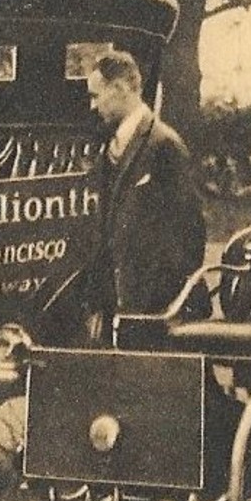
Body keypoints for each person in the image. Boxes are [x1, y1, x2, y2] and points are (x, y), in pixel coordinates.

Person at [79, 49, 207, 335]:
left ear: (120, 89)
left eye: (96, 95)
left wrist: (162, 302)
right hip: (121, 303)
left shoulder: (165, 146)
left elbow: (190, 229)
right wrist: (101, 300)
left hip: (157, 307)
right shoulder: (109, 147)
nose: (92, 105)